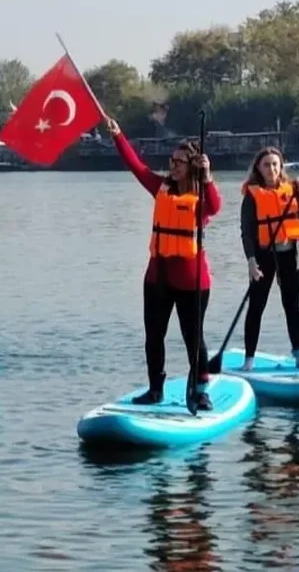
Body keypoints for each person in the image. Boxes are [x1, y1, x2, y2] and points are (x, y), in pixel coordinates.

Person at [105, 117, 222, 410]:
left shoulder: (200, 196)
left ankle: (200, 391)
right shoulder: (160, 188)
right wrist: (118, 135)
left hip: (192, 281)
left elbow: (215, 207)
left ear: (193, 165)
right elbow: (137, 167)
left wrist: (207, 177)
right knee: (154, 336)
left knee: (193, 338)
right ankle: (155, 389)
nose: (174, 165)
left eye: (180, 161)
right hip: (157, 278)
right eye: (172, 160)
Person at [239, 146, 299, 371]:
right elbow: (246, 232)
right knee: (256, 306)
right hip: (264, 257)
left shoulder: (293, 189)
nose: (271, 169)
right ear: (259, 167)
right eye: (266, 164)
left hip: (290, 255)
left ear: (281, 166)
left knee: (292, 306)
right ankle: (249, 360)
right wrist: (251, 260)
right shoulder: (252, 195)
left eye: (275, 164)